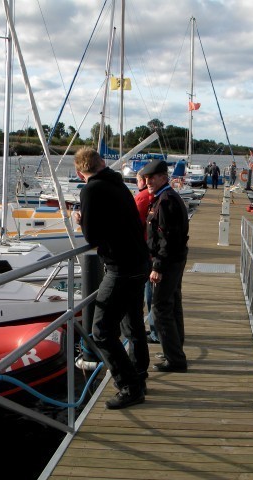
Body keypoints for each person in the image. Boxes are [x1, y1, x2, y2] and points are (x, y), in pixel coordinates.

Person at [73, 147, 150, 409]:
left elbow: (92, 236)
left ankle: (130, 386)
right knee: (132, 324)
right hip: (139, 261)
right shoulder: (119, 186)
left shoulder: (91, 190)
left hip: (121, 266)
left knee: (102, 331)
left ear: (79, 171)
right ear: (102, 163)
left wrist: (79, 220)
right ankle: (139, 376)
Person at [140, 159, 189, 373]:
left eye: (153, 177)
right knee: (172, 303)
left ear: (163, 177)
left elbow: (166, 238)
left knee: (160, 308)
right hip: (174, 260)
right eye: (146, 178)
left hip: (167, 263)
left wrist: (157, 267)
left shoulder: (166, 201)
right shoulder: (164, 198)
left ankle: (175, 359)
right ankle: (175, 350)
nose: (148, 181)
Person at [134, 172, 158, 344]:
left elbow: (133, 223)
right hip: (153, 251)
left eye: (137, 180)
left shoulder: (142, 198)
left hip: (148, 252)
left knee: (150, 295)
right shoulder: (155, 196)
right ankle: (157, 330)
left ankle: (155, 332)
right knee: (153, 294)